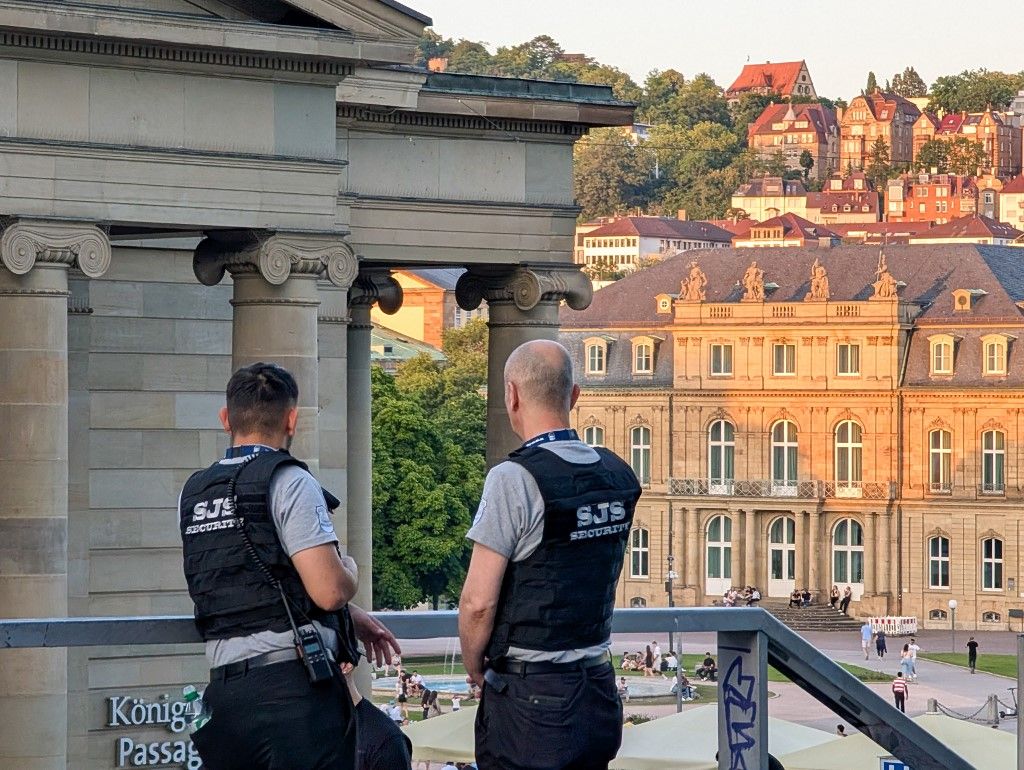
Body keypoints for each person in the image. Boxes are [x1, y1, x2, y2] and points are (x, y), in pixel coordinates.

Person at [177, 362, 400, 770]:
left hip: (225, 695)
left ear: (226, 419)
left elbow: (249, 582)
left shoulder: (194, 492)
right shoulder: (290, 481)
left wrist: (347, 618)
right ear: (292, 419)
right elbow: (329, 589)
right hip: (293, 696)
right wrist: (348, 570)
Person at [458, 340, 643, 770]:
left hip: (533, 702)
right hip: (597, 689)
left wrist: (473, 667)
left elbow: (477, 603)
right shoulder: (618, 474)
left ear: (512, 395)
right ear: (574, 396)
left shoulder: (514, 478)